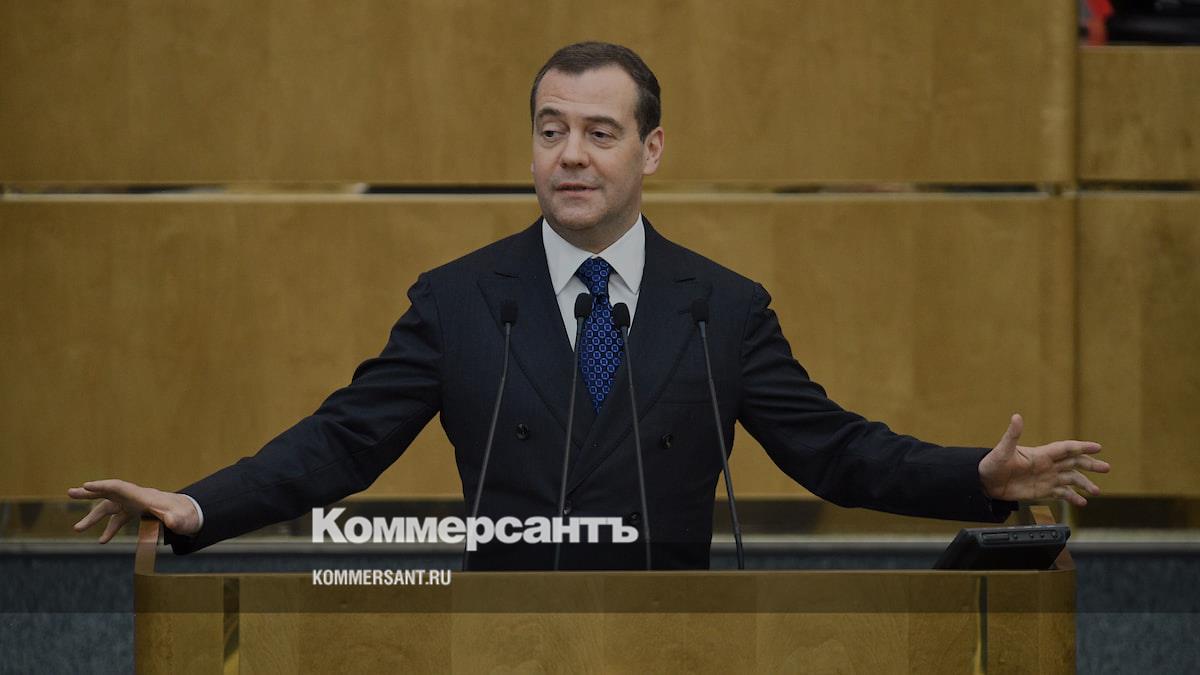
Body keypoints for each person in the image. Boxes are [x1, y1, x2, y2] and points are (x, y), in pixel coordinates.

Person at [68, 42, 1108, 569]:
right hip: (504, 642)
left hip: (676, 646)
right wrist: (195, 507)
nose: (571, 154)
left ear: (650, 151)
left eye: (599, 133)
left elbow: (834, 452)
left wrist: (977, 478)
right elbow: (342, 444)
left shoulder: (722, 307)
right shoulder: (459, 300)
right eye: (551, 129)